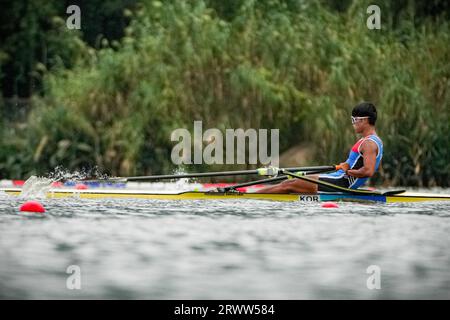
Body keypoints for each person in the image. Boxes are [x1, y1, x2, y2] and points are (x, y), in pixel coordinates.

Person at [257, 102, 383, 193]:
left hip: (341, 183)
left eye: (355, 119)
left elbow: (368, 171)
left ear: (365, 120)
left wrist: (347, 171)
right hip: (337, 178)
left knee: (290, 184)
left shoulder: (369, 143)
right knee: (290, 182)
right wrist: (345, 165)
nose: (353, 123)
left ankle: (250, 197)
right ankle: (253, 196)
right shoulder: (370, 140)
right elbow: (356, 164)